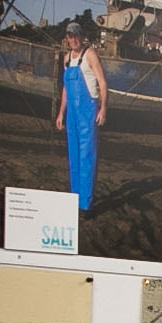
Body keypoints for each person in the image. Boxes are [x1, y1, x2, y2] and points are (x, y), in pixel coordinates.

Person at [51, 14, 107, 208]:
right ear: (67, 37)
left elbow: (102, 83)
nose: (73, 39)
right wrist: (61, 113)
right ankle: (74, 199)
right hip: (72, 115)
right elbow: (66, 88)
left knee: (87, 157)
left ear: (81, 36)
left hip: (88, 112)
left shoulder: (90, 55)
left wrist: (103, 109)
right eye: (69, 36)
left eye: (76, 35)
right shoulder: (66, 59)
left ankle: (86, 203)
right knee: (74, 156)